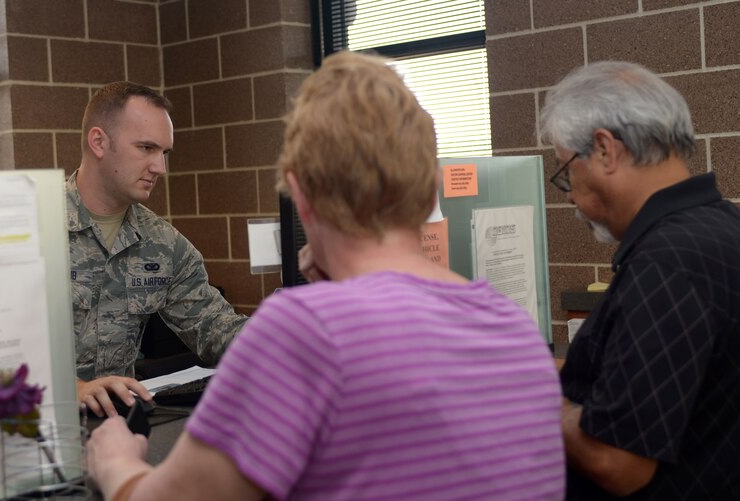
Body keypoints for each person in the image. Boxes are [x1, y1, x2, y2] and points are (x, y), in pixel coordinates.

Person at [87, 51, 565, 501]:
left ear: (301, 192)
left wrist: (117, 464)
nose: (159, 166)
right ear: (428, 187)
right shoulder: (514, 327)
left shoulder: (306, 330)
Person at [542, 61, 740, 499]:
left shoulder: (669, 261)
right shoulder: (722, 225)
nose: (570, 193)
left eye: (565, 170)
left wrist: (536, 401)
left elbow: (618, 461)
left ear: (605, 150)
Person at [69, 82, 247, 417]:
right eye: (146, 148)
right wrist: (71, 389)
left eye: (163, 153)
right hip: (31, 433)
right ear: (98, 142)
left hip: (120, 428)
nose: (160, 168)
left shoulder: (164, 245)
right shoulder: (33, 231)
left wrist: (291, 334)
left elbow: (214, 328)